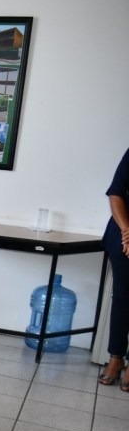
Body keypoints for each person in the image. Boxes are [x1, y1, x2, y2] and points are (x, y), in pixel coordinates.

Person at [98, 148, 129, 389]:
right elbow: (115, 193)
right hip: (124, 228)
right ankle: (116, 357)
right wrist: (127, 232)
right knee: (122, 296)